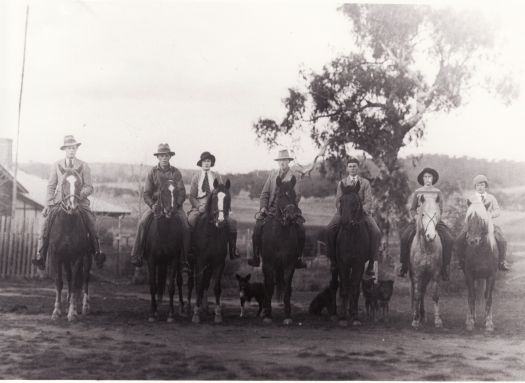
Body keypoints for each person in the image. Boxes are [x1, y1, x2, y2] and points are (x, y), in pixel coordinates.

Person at [32, 135, 104, 270]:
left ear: (76, 149)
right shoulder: (56, 165)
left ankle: (97, 252)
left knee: (91, 223)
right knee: (44, 225)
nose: (71, 150)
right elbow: (51, 186)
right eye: (69, 148)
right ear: (64, 149)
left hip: (79, 202)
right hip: (59, 202)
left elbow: (89, 187)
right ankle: (40, 255)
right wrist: (48, 204)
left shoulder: (84, 166)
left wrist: (78, 194)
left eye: (74, 148)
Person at [130, 143, 190, 269]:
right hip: (157, 205)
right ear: (158, 157)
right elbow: (146, 193)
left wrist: (176, 205)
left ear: (169, 157)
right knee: (142, 223)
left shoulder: (176, 172)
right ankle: (137, 254)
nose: (164, 158)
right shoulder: (152, 172)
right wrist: (152, 205)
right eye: (161, 156)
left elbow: (182, 192)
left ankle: (184, 259)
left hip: (174, 206)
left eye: (166, 155)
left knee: (185, 225)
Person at [248, 149, 307, 269]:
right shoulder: (272, 175)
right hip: (271, 211)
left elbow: (297, 195)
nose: (282, 163)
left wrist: (290, 208)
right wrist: (263, 208)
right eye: (280, 160)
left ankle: (298, 258)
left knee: (301, 229)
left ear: (288, 161)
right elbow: (264, 194)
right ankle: (256, 257)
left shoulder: (294, 176)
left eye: (284, 160)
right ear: (277, 162)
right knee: (258, 227)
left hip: (289, 209)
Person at [325, 157, 380, 278]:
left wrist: (360, 212)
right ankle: (333, 260)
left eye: (354, 166)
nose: (352, 168)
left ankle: (371, 262)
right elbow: (338, 201)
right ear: (347, 168)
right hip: (344, 213)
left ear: (358, 168)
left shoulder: (365, 183)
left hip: (362, 214)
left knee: (376, 232)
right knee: (329, 229)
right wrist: (344, 212)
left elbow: (368, 201)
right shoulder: (342, 183)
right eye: (350, 166)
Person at [398, 168, 454, 280]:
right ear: (422, 179)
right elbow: (413, 209)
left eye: (430, 177)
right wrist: (415, 217)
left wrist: (436, 219)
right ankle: (404, 265)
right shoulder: (418, 192)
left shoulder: (438, 192)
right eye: (425, 177)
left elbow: (441, 209)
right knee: (405, 237)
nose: (427, 179)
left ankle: (445, 267)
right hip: (419, 220)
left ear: (433, 179)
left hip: (434, 220)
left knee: (449, 238)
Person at [187, 151, 240, 259]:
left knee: (232, 222)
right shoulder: (196, 177)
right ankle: (190, 250)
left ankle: (232, 250)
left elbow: (222, 192)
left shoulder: (216, 176)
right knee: (191, 220)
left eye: (208, 161)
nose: (206, 163)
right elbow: (192, 196)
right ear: (201, 163)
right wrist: (198, 206)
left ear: (211, 163)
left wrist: (225, 209)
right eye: (204, 161)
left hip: (215, 207)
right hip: (200, 206)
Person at [455, 174, 510, 272]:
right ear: (475, 187)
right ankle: (461, 261)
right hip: (472, 225)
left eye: (482, 185)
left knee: (502, 240)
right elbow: (467, 213)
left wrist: (490, 215)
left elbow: (497, 211)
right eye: (477, 185)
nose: (480, 187)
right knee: (459, 239)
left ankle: (501, 261)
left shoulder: (491, 198)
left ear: (485, 186)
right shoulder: (471, 198)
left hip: (487, 224)